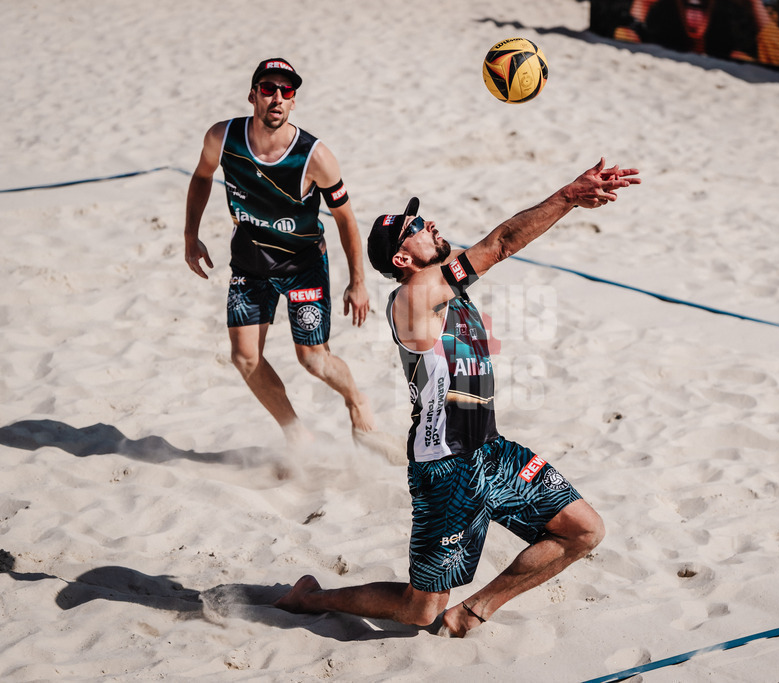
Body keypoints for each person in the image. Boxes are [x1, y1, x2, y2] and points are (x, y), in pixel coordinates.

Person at [274, 158, 640, 636]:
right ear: (402, 260)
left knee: (584, 530)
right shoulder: (416, 298)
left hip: (492, 449)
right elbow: (500, 243)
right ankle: (311, 598)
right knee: (418, 610)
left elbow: (509, 236)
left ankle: (473, 610)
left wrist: (569, 205)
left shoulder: (445, 279)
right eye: (415, 228)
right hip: (445, 468)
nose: (429, 225)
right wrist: (570, 193)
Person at [184, 58, 381, 449]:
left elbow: (346, 219)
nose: (276, 97)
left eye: (286, 91)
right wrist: (191, 235)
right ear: (252, 95)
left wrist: (358, 282)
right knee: (244, 358)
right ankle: (296, 435)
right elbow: (202, 176)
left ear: (293, 102)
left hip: (303, 265)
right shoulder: (223, 138)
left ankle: (356, 399)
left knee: (313, 361)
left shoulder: (315, 156)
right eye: (268, 88)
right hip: (250, 262)